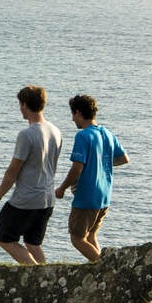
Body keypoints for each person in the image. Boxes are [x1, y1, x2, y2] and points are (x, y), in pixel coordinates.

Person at [0, 84, 63, 264]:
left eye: (20, 104)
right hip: (47, 198)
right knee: (33, 242)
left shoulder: (27, 135)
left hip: (27, 199)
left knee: (6, 239)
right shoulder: (55, 131)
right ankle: (46, 278)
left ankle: (35, 273)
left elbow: (12, 171)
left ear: (24, 105)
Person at [55, 94, 129, 261]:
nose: (72, 119)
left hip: (87, 196)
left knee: (77, 238)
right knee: (90, 236)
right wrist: (100, 165)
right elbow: (123, 158)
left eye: (73, 114)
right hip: (104, 196)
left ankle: (106, 270)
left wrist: (62, 188)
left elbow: (77, 169)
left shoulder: (83, 136)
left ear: (79, 113)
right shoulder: (107, 133)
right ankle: (104, 267)